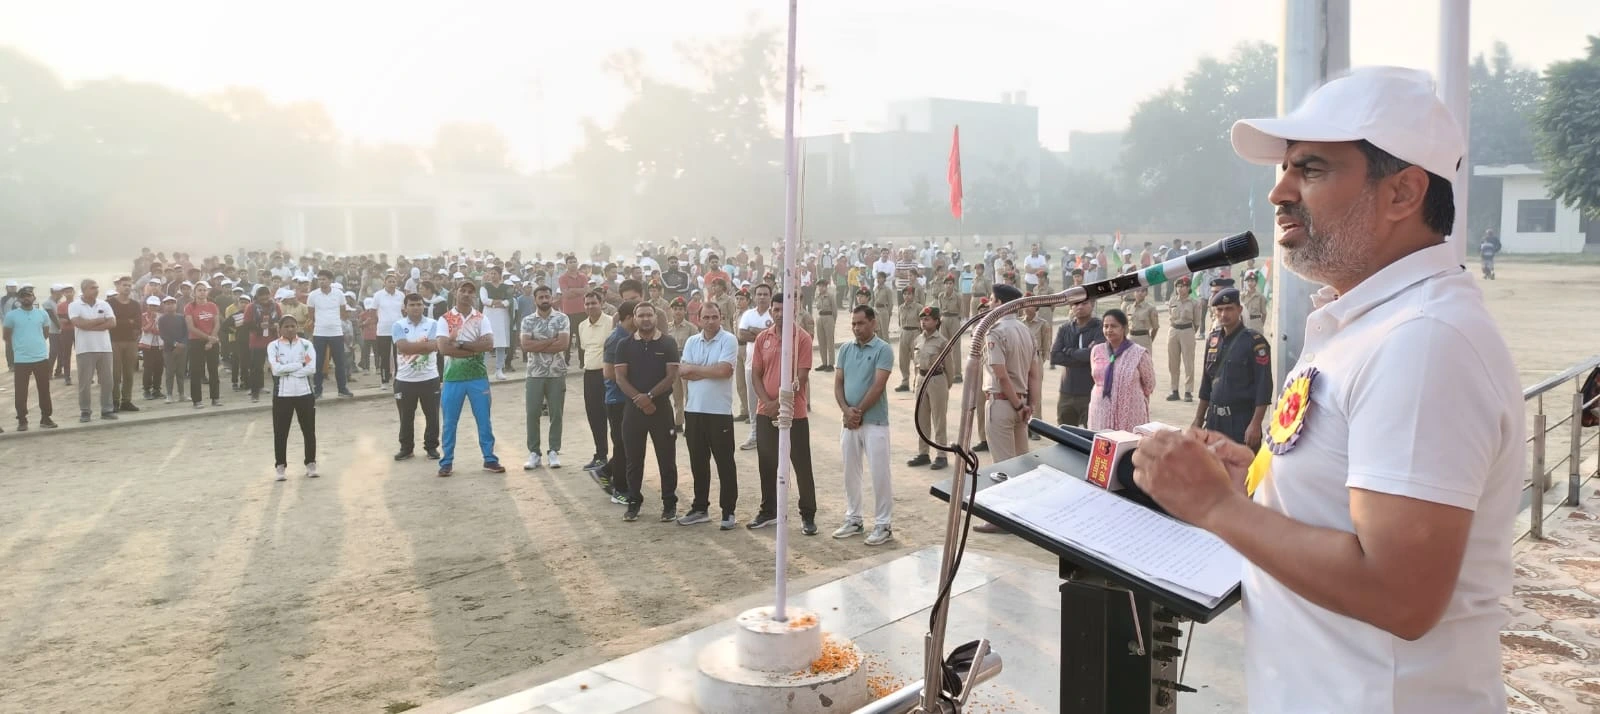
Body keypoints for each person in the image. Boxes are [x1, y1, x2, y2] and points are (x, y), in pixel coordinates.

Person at [1134, 67, 1527, 713]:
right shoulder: (1370, 320)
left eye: (1311, 170)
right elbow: (1346, 508)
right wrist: (1250, 487)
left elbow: (1401, 594)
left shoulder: (1423, 340)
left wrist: (1216, 509)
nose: (1279, 193)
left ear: (1402, 192)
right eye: (1285, 168)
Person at [749, 291, 818, 534]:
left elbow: (801, 377)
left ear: (793, 310)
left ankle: (808, 515)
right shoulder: (762, 338)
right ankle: (768, 511)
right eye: (775, 310)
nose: (779, 315)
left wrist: (776, 404)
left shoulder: (802, 339)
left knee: (801, 464)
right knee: (766, 463)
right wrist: (765, 403)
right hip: (764, 411)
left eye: (783, 310)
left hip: (793, 412)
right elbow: (755, 374)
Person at [975, 283, 1041, 518]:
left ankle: (1003, 517)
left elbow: (1000, 375)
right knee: (1021, 465)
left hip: (1003, 403)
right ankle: (1024, 512)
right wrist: (1029, 405)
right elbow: (1034, 374)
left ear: (1001, 304)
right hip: (1021, 404)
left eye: (992, 300)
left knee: (1001, 468)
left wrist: (1016, 404)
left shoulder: (996, 331)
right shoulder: (1026, 331)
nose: (989, 304)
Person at [833, 304, 895, 546]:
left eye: (861, 323)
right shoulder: (846, 349)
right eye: (854, 324)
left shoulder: (883, 350)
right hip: (849, 422)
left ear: (873, 323)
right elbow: (838, 383)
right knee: (851, 471)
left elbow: (878, 386)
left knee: (879, 473)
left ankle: (883, 524)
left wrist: (857, 412)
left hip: (875, 422)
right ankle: (854, 518)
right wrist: (846, 412)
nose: (857, 328)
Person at [613, 302, 681, 523]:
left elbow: (671, 376)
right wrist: (639, 399)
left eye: (649, 315)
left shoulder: (668, 342)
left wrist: (650, 397)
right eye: (641, 315)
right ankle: (634, 502)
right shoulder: (624, 345)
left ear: (655, 317)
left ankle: (669, 503)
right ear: (634, 318)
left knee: (666, 459)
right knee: (633, 459)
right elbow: (620, 377)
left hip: (660, 408)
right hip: (633, 409)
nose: (645, 319)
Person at [676, 300, 740, 529]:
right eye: (706, 317)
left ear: (721, 317)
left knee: (725, 463)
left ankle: (728, 511)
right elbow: (683, 372)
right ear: (698, 319)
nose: (711, 321)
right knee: (698, 463)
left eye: (715, 317)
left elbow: (724, 371)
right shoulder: (693, 341)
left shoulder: (729, 339)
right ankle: (700, 507)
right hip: (694, 411)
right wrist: (707, 370)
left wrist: (696, 369)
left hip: (719, 412)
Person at [435, 280, 504, 477]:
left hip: (477, 377)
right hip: (452, 377)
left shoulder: (481, 318)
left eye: (470, 292)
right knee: (449, 422)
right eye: (462, 291)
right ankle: (446, 462)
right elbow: (443, 348)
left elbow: (489, 344)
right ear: (456, 293)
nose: (466, 294)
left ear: (474, 296)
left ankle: (489, 459)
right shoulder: (445, 319)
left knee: (484, 420)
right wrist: (473, 348)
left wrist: (460, 345)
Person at [1193, 287, 1272, 449]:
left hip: (1241, 422)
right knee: (1214, 471)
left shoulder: (1255, 342)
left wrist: (1256, 424)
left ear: (1239, 310)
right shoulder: (1213, 339)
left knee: (1241, 472)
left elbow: (1264, 386)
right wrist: (1198, 420)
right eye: (1219, 310)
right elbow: (1206, 383)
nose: (1224, 314)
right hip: (1214, 420)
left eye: (1229, 309)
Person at [519, 285, 570, 470]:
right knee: (532, 413)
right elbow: (525, 346)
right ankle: (534, 452)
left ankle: (553, 451)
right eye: (540, 297)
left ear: (552, 298)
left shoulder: (562, 318)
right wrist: (550, 341)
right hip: (534, 373)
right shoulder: (527, 321)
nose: (544, 300)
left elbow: (563, 344)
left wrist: (538, 343)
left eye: (547, 296)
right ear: (535, 300)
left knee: (556, 413)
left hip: (556, 372)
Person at [1087, 308, 1156, 431]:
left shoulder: (1139, 353)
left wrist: (1125, 393)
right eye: (1105, 326)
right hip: (1101, 410)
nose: (1109, 330)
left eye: (1113, 326)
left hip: (1130, 410)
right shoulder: (1097, 350)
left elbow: (1149, 384)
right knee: (1102, 445)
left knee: (1128, 446)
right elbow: (1096, 379)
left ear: (1124, 328)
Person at [267, 315, 318, 481]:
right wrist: (298, 365)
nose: (290, 329)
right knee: (281, 432)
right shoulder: (273, 346)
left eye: (293, 326)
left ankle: (311, 463)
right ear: (280, 329)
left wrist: (287, 369)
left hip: (305, 393)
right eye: (286, 326)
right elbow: (276, 370)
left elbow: (311, 368)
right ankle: (280, 466)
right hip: (283, 395)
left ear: (297, 327)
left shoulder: (306, 344)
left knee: (309, 430)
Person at [393, 293, 441, 461]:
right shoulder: (398, 325)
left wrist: (411, 347)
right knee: (406, 417)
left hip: (429, 378)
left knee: (432, 415)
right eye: (412, 305)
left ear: (424, 306)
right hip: (405, 380)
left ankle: (431, 447)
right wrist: (424, 346)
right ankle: (406, 448)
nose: (416, 308)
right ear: (405, 307)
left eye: (419, 304)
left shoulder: (433, 324)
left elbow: (435, 345)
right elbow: (402, 347)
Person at [598, 300, 638, 501]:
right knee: (622, 445)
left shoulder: (630, 336)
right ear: (630, 317)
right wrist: (634, 383)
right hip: (617, 399)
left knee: (628, 444)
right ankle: (620, 490)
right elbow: (608, 372)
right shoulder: (616, 338)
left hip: (627, 398)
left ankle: (606, 471)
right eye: (638, 315)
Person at [4, 286, 56, 431]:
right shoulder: (11, 316)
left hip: (40, 357)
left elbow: (45, 333)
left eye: (29, 295)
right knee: (21, 391)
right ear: (19, 299)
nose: (26, 298)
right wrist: (20, 347)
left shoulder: (42, 314)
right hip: (21, 359)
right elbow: (6, 336)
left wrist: (35, 344)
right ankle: (22, 420)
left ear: (34, 297)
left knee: (44, 389)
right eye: (23, 296)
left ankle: (46, 418)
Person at [906, 306, 950, 470]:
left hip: (937, 379)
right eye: (922, 319)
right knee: (922, 419)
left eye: (927, 319)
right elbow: (915, 363)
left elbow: (949, 367)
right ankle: (923, 453)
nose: (924, 322)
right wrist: (915, 381)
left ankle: (941, 454)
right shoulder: (917, 340)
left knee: (939, 420)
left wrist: (946, 385)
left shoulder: (942, 341)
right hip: (921, 379)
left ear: (936, 321)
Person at [67, 279, 117, 423]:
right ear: (83, 290)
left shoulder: (104, 304)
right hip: (85, 349)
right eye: (92, 288)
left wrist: (90, 325)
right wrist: (100, 320)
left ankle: (107, 410)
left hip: (105, 348)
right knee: (85, 383)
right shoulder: (74, 305)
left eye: (97, 287)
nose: (96, 290)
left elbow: (112, 323)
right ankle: (85, 411)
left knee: (108, 381)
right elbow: (79, 323)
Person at [576, 291, 612, 472]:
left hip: (608, 375)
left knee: (612, 416)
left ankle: (619, 458)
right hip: (589, 375)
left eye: (593, 303)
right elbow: (585, 349)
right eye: (587, 304)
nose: (590, 307)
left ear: (602, 303)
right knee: (594, 416)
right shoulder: (582, 326)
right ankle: (600, 455)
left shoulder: (611, 323)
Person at [736, 284, 774, 450]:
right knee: (753, 402)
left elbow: (776, 334)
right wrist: (764, 333)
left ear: (770, 296)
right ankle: (754, 433)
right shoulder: (748, 314)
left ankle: (771, 435)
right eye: (759, 294)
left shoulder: (774, 314)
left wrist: (754, 331)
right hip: (752, 364)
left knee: (770, 399)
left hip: (772, 365)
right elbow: (741, 334)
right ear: (754, 296)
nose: (762, 297)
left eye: (765, 294)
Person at [305, 270, 353, 398]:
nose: (321, 281)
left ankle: (342, 389)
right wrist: (318, 325)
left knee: (339, 362)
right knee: (318, 362)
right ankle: (318, 390)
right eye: (319, 279)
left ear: (331, 280)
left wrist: (334, 322)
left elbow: (343, 313)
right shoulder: (313, 295)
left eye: (324, 279)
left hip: (336, 332)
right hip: (319, 332)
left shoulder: (338, 294)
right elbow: (311, 315)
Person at [185, 281, 223, 408]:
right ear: (194, 292)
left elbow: (217, 323)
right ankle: (197, 400)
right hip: (196, 341)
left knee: (213, 370)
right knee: (196, 371)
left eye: (204, 290)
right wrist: (208, 338)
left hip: (212, 341)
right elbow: (191, 327)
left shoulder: (212, 306)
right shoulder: (190, 307)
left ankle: (215, 398)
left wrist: (211, 340)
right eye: (199, 290)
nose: (202, 292)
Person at [107, 277, 143, 412]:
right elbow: (110, 322)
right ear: (117, 286)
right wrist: (128, 322)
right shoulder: (109, 303)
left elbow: (138, 323)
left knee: (129, 373)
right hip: (114, 341)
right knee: (115, 374)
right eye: (124, 285)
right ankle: (114, 401)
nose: (127, 287)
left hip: (131, 341)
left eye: (129, 285)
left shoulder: (135, 304)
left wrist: (124, 323)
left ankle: (126, 400)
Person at [1165, 276, 1200, 402]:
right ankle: (1174, 390)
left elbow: (1197, 322)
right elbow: (1170, 315)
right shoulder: (1172, 300)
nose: (1180, 289)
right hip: (1174, 330)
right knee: (1173, 362)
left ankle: (1188, 391)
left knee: (1188, 362)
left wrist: (1189, 332)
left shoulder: (1194, 303)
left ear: (1189, 288)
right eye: (1178, 286)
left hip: (1187, 331)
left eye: (1183, 286)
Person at [372, 272, 406, 385]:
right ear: (384, 283)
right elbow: (373, 311)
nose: (392, 284)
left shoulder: (401, 295)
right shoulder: (378, 295)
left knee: (399, 356)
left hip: (398, 330)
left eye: (394, 281)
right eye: (389, 281)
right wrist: (379, 321)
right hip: (383, 330)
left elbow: (404, 310)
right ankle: (385, 380)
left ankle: (399, 378)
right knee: (384, 356)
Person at [138, 296, 164, 401]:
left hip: (159, 345)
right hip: (147, 346)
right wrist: (153, 321)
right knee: (148, 368)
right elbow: (145, 329)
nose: (153, 307)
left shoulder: (162, 316)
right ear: (147, 306)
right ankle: (147, 390)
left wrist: (154, 328)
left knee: (159, 368)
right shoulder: (143, 316)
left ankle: (157, 390)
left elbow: (162, 331)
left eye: (155, 306)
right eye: (151, 305)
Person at [812, 283, 837, 372]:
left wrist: (833, 321)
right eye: (819, 286)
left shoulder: (830, 296)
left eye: (822, 286)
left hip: (829, 317)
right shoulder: (817, 296)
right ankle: (824, 363)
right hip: (820, 318)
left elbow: (834, 309)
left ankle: (831, 364)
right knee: (821, 341)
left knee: (830, 341)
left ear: (826, 287)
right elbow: (818, 308)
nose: (820, 288)